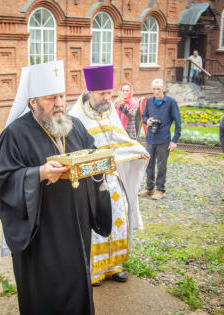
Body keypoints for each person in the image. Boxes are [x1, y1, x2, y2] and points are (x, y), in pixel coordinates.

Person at [0, 60, 112, 315]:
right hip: (42, 232)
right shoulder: (14, 134)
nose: (60, 104)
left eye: (61, 96)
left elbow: (92, 159)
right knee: (46, 292)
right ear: (32, 102)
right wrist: (39, 173)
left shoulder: (75, 126)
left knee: (78, 280)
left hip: (77, 224)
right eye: (50, 98)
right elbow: (5, 180)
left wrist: (100, 163)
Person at [70, 65, 149, 286]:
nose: (107, 98)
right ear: (89, 93)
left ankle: (115, 265)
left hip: (112, 179)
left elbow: (119, 138)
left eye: (109, 93)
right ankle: (94, 268)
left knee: (118, 218)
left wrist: (137, 150)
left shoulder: (109, 111)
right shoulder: (76, 118)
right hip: (90, 182)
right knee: (94, 222)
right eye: (102, 93)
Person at [139, 78, 182, 200]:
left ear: (163, 89)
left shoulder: (171, 102)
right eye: (154, 89)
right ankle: (149, 188)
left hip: (164, 139)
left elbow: (178, 122)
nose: (156, 91)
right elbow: (144, 116)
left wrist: (174, 140)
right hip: (150, 138)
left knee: (161, 165)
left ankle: (160, 190)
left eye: (158, 89)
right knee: (149, 164)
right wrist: (147, 120)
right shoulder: (150, 101)